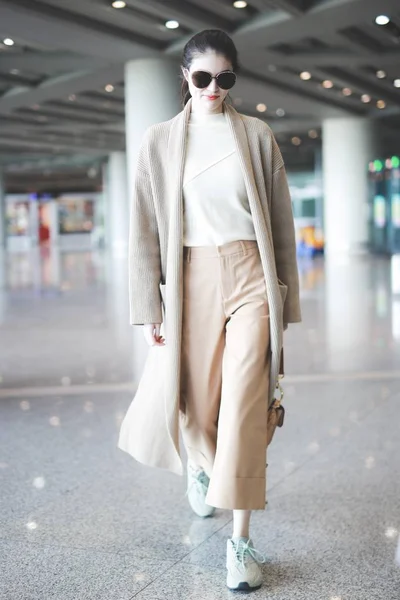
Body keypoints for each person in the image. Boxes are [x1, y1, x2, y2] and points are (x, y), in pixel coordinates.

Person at [118, 29, 301, 592]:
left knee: (246, 401)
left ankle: (240, 543)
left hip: (250, 272)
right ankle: (200, 464)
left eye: (225, 78)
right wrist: (149, 302)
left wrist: (285, 300)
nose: (214, 89)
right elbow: (145, 228)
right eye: (203, 78)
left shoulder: (256, 135)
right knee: (197, 407)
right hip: (191, 275)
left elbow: (279, 222)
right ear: (185, 79)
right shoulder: (158, 141)